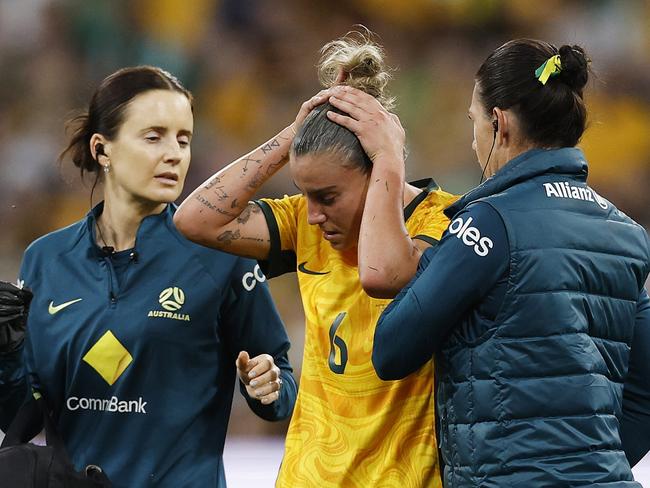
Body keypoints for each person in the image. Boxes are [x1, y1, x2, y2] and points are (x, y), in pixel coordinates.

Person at [174, 32, 457, 487]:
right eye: (305, 194)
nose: (313, 215)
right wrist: (296, 133)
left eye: (326, 196)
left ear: (376, 169)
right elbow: (195, 218)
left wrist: (388, 155)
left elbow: (383, 272)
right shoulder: (305, 228)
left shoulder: (447, 225)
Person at [0, 66, 298, 487]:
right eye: (153, 136)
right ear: (103, 149)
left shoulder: (221, 254)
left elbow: (281, 386)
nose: (174, 153)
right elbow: (21, 418)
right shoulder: (45, 259)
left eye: (184, 139)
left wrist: (268, 386)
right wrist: (5, 358)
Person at [372, 39, 650, 487]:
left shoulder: (489, 222)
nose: (473, 137)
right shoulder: (628, 234)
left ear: (498, 123)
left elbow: (391, 347)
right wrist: (588, 466)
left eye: (474, 121)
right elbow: (646, 390)